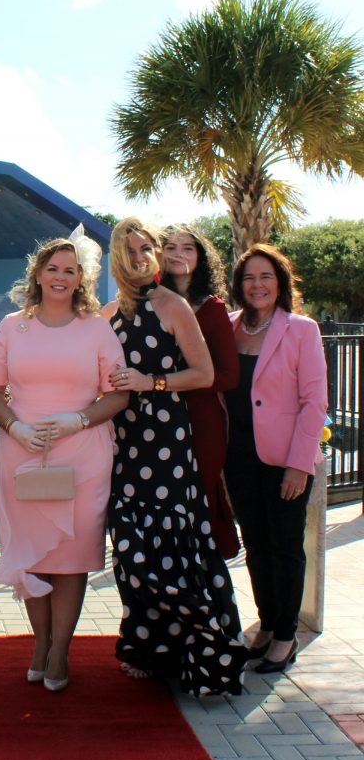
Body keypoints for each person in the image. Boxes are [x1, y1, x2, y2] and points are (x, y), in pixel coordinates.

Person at [0, 229, 128, 692]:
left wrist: (78, 421)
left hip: (83, 455)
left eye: (70, 269)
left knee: (71, 557)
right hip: (23, 454)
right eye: (53, 268)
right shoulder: (12, 327)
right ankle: (40, 644)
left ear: (80, 277)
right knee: (33, 558)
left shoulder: (97, 328)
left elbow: (118, 394)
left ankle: (61, 649)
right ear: (38, 274)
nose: (60, 277)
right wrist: (15, 427)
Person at [104, 218, 246, 695]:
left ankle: (192, 643)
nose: (140, 256)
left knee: (171, 543)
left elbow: (205, 372)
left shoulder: (172, 304)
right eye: (130, 250)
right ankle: (145, 643)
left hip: (166, 440)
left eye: (148, 248)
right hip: (123, 443)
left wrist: (152, 382)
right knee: (130, 545)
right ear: (116, 258)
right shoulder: (107, 313)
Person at [224, 244, 327, 674]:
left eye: (266, 276)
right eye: (249, 278)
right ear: (239, 285)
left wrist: (299, 464)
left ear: (280, 281)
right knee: (257, 548)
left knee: (285, 548)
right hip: (238, 457)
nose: (257, 285)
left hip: (284, 459)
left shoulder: (301, 330)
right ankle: (266, 624)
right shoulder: (227, 328)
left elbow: (314, 401)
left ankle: (286, 636)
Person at [161, 224, 240, 558]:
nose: (179, 253)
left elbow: (228, 375)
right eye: (171, 246)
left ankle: (205, 579)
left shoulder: (212, 308)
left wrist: (180, 380)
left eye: (188, 247)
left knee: (200, 497)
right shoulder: (150, 304)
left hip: (201, 421)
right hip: (158, 421)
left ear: (200, 256)